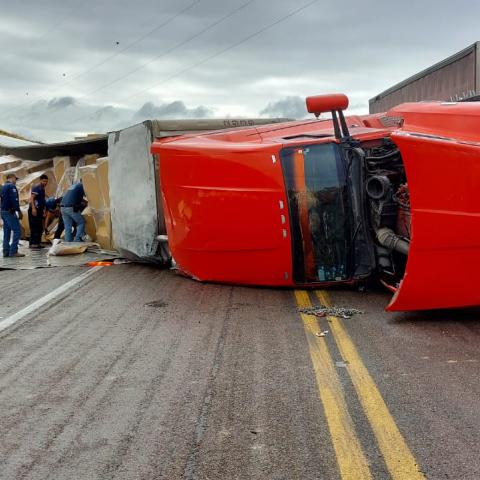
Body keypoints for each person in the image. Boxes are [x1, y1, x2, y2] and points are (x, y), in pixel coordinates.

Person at [1, 173, 25, 257]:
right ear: (11, 178)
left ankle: (6, 251)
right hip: (10, 212)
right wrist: (18, 211)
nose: (16, 181)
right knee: (17, 231)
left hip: (3, 211)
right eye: (15, 179)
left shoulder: (3, 187)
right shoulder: (11, 186)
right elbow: (14, 199)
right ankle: (13, 251)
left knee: (6, 232)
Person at [28, 174, 49, 249]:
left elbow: (42, 200)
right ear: (40, 180)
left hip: (39, 209)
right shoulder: (37, 187)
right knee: (34, 226)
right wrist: (33, 208)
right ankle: (33, 244)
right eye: (43, 181)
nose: (45, 183)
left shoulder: (42, 188)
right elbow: (32, 198)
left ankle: (37, 243)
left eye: (46, 181)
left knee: (39, 227)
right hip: (35, 209)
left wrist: (43, 211)